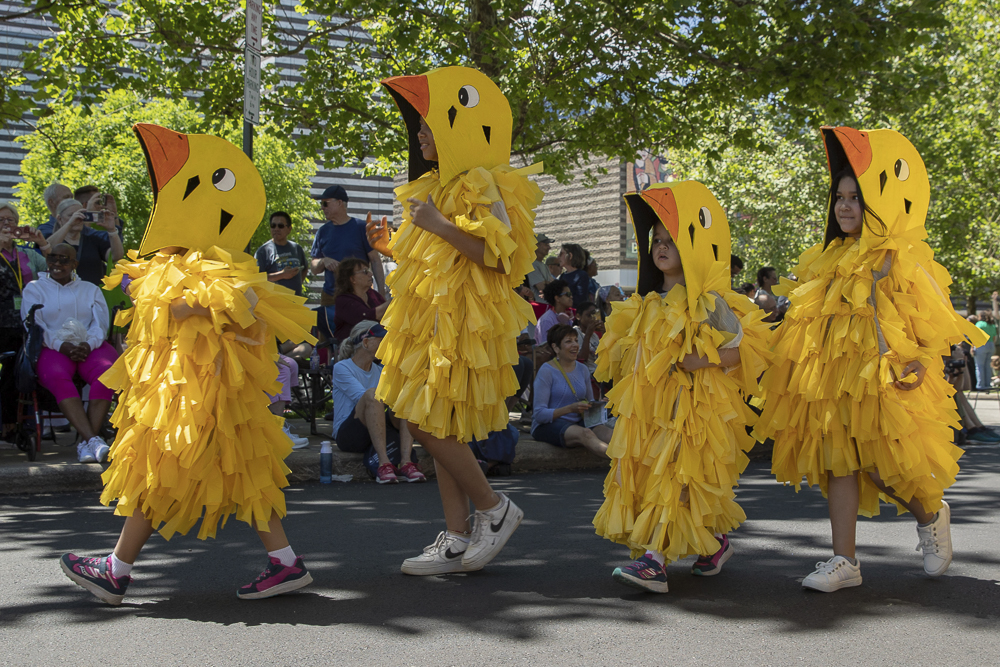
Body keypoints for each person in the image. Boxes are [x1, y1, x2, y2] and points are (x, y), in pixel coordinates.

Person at [59, 124, 317, 605]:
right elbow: (139, 289)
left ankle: (115, 571)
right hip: (215, 396)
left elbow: (200, 308)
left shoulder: (207, 266)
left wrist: (180, 298)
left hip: (197, 394)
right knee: (239, 473)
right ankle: (284, 562)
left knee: (160, 470)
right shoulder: (190, 263)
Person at [755, 126, 987, 593]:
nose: (844, 206)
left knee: (882, 467)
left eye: (855, 198)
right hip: (833, 378)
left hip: (881, 377)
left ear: (874, 204)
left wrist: (919, 359)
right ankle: (845, 561)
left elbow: (928, 318)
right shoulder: (826, 257)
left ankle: (930, 514)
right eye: (839, 196)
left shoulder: (897, 258)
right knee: (839, 463)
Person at [368, 66, 543, 576]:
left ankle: (492, 507)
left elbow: (501, 257)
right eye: (419, 126)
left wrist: (440, 225)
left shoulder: (479, 183)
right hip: (431, 322)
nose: (419, 134)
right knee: (431, 419)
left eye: (427, 126)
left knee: (423, 420)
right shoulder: (433, 188)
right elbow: (434, 262)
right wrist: (391, 248)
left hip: (465, 326)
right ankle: (457, 536)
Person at [594, 180, 771, 594]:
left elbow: (744, 352)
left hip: (692, 413)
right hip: (650, 414)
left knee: (674, 478)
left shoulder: (710, 303)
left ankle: (654, 561)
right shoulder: (646, 302)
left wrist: (703, 358)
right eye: (656, 239)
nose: (661, 246)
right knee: (658, 478)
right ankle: (715, 540)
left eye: (671, 240)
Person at [21, 244, 118, 463]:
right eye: (52, 258)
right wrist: (60, 345)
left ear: (74, 264)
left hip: (88, 345)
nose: (57, 264)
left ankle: (87, 443)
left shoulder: (90, 289)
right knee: (58, 377)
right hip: (51, 346)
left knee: (107, 373)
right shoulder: (35, 288)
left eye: (64, 260)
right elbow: (35, 326)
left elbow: (100, 323)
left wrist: (89, 343)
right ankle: (94, 440)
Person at [331, 321, 424, 483]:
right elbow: (365, 399)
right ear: (366, 342)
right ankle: (384, 463)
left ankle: (407, 462)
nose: (388, 345)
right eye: (383, 341)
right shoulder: (342, 368)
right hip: (349, 435)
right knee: (373, 395)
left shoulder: (381, 370)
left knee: (406, 397)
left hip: (375, 429)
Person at [531, 324, 612, 457]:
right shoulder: (547, 371)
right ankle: (620, 463)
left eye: (575, 340)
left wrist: (600, 406)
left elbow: (589, 405)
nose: (575, 345)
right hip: (547, 425)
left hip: (577, 421)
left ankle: (629, 460)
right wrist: (570, 409)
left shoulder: (583, 369)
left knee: (609, 433)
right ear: (556, 347)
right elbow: (539, 414)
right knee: (585, 434)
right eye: (569, 341)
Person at [310, 185, 385, 307]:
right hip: (330, 297)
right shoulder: (322, 232)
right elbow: (314, 268)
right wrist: (324, 261)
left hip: (359, 296)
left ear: (339, 203)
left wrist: (381, 292)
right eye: (321, 204)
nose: (322, 208)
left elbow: (375, 260)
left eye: (325, 203)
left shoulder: (361, 228)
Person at [47, 198, 124, 286]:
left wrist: (112, 230)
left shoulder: (93, 239)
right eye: (71, 215)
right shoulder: (54, 239)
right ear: (59, 219)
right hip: (61, 294)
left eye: (82, 214)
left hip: (91, 295)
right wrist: (70, 224)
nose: (78, 218)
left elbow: (116, 256)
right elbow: (47, 250)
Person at [333, 258, 388, 342]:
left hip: (375, 343)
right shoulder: (343, 301)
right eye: (365, 271)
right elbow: (368, 318)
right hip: (353, 348)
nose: (370, 274)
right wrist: (397, 299)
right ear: (352, 279)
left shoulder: (373, 294)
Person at [255, 211, 308, 297]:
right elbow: (257, 279)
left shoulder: (296, 248)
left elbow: (305, 267)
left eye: (280, 226)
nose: (276, 229)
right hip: (273, 303)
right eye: (273, 225)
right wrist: (282, 275)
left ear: (289, 229)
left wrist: (298, 284)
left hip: (295, 302)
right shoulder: (263, 251)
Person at [535, 278, 573, 345]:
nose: (571, 297)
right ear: (557, 298)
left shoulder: (568, 318)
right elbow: (546, 347)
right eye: (568, 294)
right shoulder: (546, 320)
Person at [972, 298, 997, 391]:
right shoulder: (992, 325)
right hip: (991, 345)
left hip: (981, 346)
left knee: (979, 366)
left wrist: (972, 346)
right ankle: (987, 384)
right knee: (987, 366)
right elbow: (994, 337)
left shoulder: (979, 324)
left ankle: (980, 385)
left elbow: (975, 336)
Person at [558, 243, 591, 309]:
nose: (558, 257)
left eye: (561, 253)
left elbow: (580, 299)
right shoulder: (562, 276)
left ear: (570, 256)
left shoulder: (581, 275)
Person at [575, 302, 602, 374]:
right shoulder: (575, 332)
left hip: (599, 371)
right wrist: (587, 335)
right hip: (589, 373)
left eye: (594, 316)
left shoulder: (594, 336)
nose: (592, 319)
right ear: (578, 316)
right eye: (589, 315)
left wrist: (605, 333)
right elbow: (582, 358)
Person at [525, 232, 554, 300]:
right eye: (546, 244)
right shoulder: (532, 265)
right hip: (541, 307)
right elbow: (542, 288)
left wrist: (547, 283)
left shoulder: (544, 265)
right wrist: (549, 283)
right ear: (536, 246)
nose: (549, 247)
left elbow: (553, 286)